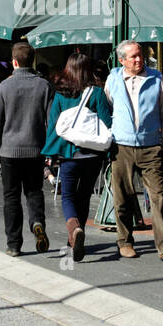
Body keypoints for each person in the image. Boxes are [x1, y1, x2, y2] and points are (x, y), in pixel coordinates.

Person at [103, 40, 163, 261]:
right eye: (133, 57)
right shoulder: (113, 79)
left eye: (140, 55)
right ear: (122, 60)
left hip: (151, 145)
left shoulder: (157, 78)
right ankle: (125, 242)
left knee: (158, 196)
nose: (139, 60)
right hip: (122, 145)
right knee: (123, 197)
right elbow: (109, 106)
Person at [43, 53, 112, 262]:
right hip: (93, 155)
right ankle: (73, 240)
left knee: (68, 196)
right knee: (84, 196)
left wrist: (49, 153)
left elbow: (54, 125)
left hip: (68, 154)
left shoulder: (61, 94)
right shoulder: (97, 93)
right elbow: (107, 123)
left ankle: (73, 228)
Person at [0, 42, 55, 256]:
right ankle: (37, 222)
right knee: (34, 192)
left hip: (9, 151)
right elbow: (51, 122)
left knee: (11, 197)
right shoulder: (44, 86)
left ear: (14, 62)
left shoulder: (4, 87)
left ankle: (14, 244)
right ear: (32, 61)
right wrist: (50, 151)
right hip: (36, 150)